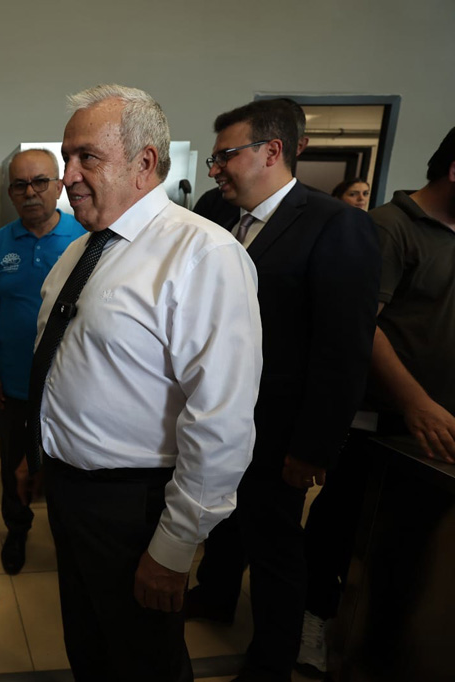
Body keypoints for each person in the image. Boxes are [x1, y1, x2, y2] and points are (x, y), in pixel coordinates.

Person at [32, 83, 262, 681]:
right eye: (66, 157)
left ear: (145, 162)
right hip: (72, 494)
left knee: (144, 664)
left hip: (135, 509)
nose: (68, 175)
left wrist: (175, 545)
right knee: (90, 650)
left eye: (87, 157)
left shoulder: (203, 255)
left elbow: (222, 419)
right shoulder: (79, 252)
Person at [185, 99, 379, 682]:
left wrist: (313, 447)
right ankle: (214, 596)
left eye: (225, 155)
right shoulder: (214, 211)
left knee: (273, 544)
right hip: (216, 414)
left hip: (279, 427)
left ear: (271, 151)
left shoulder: (336, 225)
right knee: (221, 520)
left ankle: (271, 660)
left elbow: (342, 348)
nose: (215, 168)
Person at [298, 127, 455, 676]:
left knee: (411, 540)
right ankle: (312, 617)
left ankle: (385, 632)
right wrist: (414, 401)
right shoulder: (388, 228)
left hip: (439, 425)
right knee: (343, 522)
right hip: (381, 418)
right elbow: (362, 325)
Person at [0, 148, 84, 575]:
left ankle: (68, 538)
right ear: (10, 193)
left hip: (72, 389)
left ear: (59, 186)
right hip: (15, 384)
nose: (30, 192)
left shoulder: (85, 239)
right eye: (20, 185)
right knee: (13, 468)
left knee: (65, 470)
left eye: (40, 182)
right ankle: (17, 531)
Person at [193, 97, 309, 225]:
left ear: (272, 152)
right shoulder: (212, 206)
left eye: (225, 156)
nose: (213, 172)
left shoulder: (323, 220)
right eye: (215, 160)